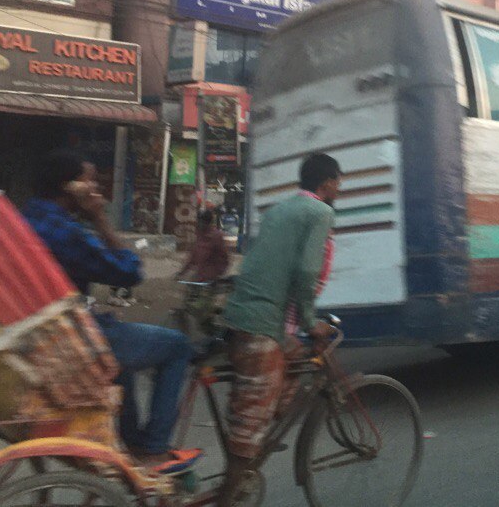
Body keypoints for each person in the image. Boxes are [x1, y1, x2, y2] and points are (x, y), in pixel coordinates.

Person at [23, 149, 200, 474]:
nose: (96, 190)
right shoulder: (66, 232)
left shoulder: (26, 218)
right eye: (90, 182)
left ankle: (130, 441)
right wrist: (100, 219)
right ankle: (154, 448)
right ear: (69, 186)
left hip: (43, 329)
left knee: (125, 353)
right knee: (177, 346)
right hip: (71, 337)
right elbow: (128, 273)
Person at [216, 153, 341, 507]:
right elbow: (305, 272)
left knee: (295, 356)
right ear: (327, 182)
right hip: (261, 325)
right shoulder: (321, 213)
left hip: (241, 316)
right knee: (249, 428)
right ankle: (231, 489)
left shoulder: (278, 210)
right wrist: (308, 321)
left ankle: (263, 429)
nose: (339, 190)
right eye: (338, 183)